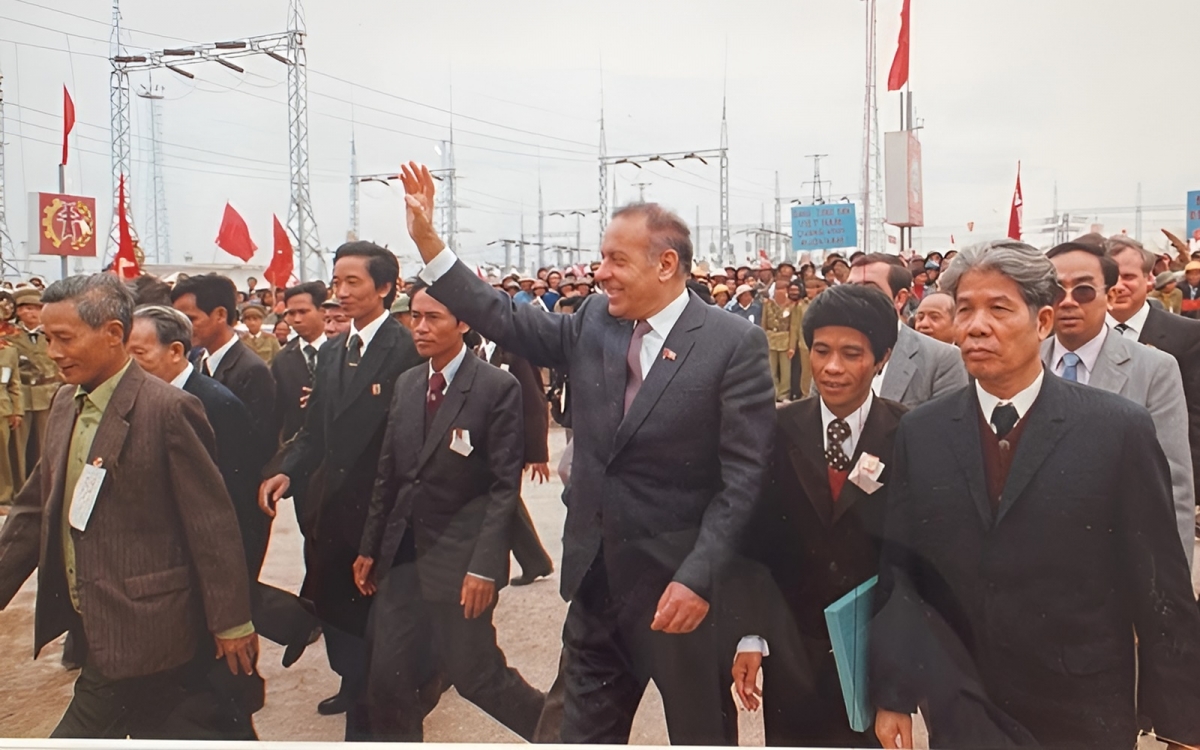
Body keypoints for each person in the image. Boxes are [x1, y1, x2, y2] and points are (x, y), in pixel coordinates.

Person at [400, 163, 775, 745]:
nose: (600, 274)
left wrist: (698, 579)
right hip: (598, 588)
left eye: (615, 261)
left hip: (684, 598)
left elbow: (745, 478)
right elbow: (504, 317)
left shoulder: (732, 343)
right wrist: (431, 244)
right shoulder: (596, 321)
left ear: (666, 264)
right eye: (601, 259)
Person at [871, 241, 1200, 750]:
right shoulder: (923, 430)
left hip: (1082, 704)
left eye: (998, 308)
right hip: (963, 704)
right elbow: (902, 570)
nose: (977, 326)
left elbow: (1161, 587)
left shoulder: (1117, 430)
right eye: (965, 309)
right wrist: (892, 692)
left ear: (1043, 321)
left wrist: (1183, 726)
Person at [0, 274, 259, 739]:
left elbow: (212, 525)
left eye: (65, 339)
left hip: (145, 625)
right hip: (94, 621)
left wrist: (232, 620)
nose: (54, 351)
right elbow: (34, 510)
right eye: (48, 339)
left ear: (113, 334)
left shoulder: (168, 410)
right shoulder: (65, 403)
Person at [353, 283, 545, 740]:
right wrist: (370, 548)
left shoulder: (496, 387)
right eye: (414, 317)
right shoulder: (408, 383)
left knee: (477, 677)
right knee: (386, 680)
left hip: (461, 564)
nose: (419, 327)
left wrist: (483, 568)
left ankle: (567, 735)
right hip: (402, 560)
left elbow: (503, 489)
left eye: (432, 317)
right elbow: (389, 474)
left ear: (463, 323)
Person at [259, 241, 423, 738]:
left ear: (385, 288)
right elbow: (314, 430)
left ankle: (385, 699)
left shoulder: (407, 349)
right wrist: (289, 469)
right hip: (333, 505)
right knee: (337, 605)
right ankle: (354, 684)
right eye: (337, 282)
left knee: (385, 617)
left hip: (387, 508)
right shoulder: (333, 353)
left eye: (353, 282)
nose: (342, 292)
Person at [733, 284, 905, 746]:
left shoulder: (909, 433)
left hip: (874, 649)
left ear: (882, 357)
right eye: (822, 350)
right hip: (793, 647)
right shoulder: (775, 429)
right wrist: (750, 635)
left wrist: (902, 686)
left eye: (852, 354)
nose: (832, 367)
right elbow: (753, 541)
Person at [128, 305, 320, 668]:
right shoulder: (148, 397)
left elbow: (237, 487)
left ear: (175, 351)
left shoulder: (213, 403)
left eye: (138, 353)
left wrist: (237, 560)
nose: (130, 365)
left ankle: (295, 622)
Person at [1106, 235, 1200, 515]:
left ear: (1149, 278)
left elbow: (1194, 416)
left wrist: (1191, 487)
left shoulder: (1186, 335)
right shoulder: (1078, 335)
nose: (1119, 286)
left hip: (1159, 477)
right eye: (1111, 277)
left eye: (1129, 277)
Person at [846, 254, 968, 408]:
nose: (855, 297)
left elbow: (947, 428)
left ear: (900, 298)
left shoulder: (941, 359)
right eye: (849, 288)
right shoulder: (830, 354)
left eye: (869, 288)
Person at [171, 274, 277, 449]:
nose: (182, 328)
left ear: (220, 315)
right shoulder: (196, 361)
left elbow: (259, 443)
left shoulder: (251, 370)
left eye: (191, 319)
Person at [7, 287, 60, 479]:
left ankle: (44, 484)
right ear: (17, 311)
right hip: (20, 394)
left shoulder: (52, 334)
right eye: (26, 308)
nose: (32, 313)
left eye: (37, 308)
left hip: (47, 394)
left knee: (45, 444)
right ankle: (20, 485)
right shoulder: (8, 336)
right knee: (18, 448)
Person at [272, 282, 329, 449]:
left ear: (322, 311)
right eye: (291, 313)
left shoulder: (344, 350)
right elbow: (277, 415)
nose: (296, 319)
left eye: (303, 312)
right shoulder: (282, 359)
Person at [761, 279, 797, 402]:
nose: (779, 292)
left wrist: (792, 346)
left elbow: (793, 326)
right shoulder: (768, 304)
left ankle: (784, 394)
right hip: (770, 339)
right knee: (771, 369)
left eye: (782, 289)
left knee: (786, 370)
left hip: (785, 340)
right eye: (777, 289)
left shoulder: (792, 306)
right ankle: (773, 393)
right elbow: (763, 323)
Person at [0, 338, 22, 505]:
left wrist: (17, 411)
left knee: (2, 457)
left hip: (3, 409)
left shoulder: (9, 351)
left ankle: (3, 497)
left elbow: (14, 384)